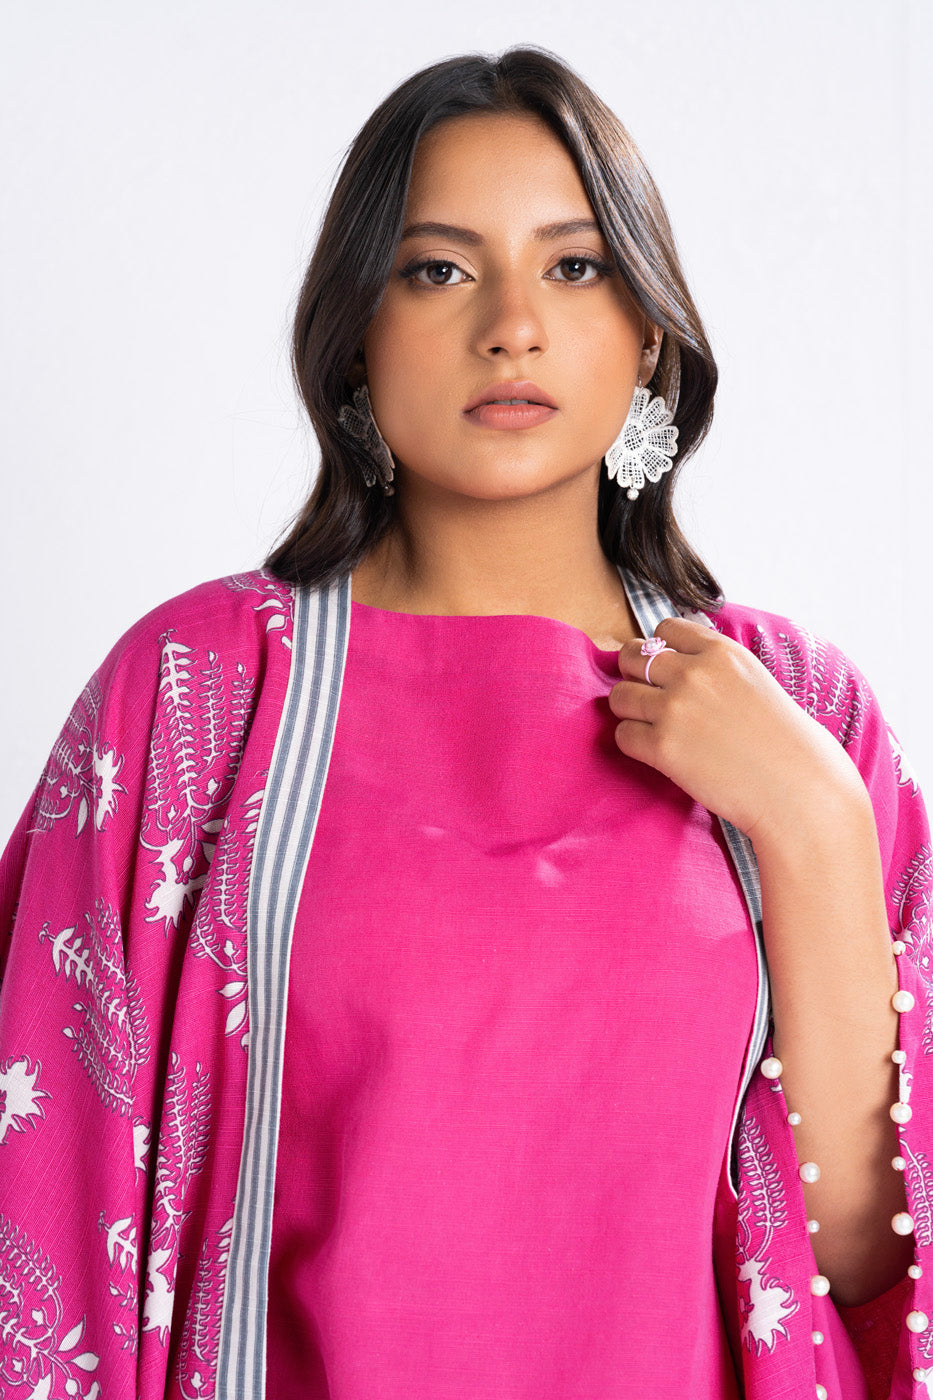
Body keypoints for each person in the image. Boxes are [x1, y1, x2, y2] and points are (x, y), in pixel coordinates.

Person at [0, 44, 930, 1400]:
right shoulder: (196, 699)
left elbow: (863, 1266)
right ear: (355, 335)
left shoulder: (798, 714)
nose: (512, 325)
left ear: (649, 333)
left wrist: (816, 824)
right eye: (438, 270)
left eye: (575, 267)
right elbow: (44, 1201)